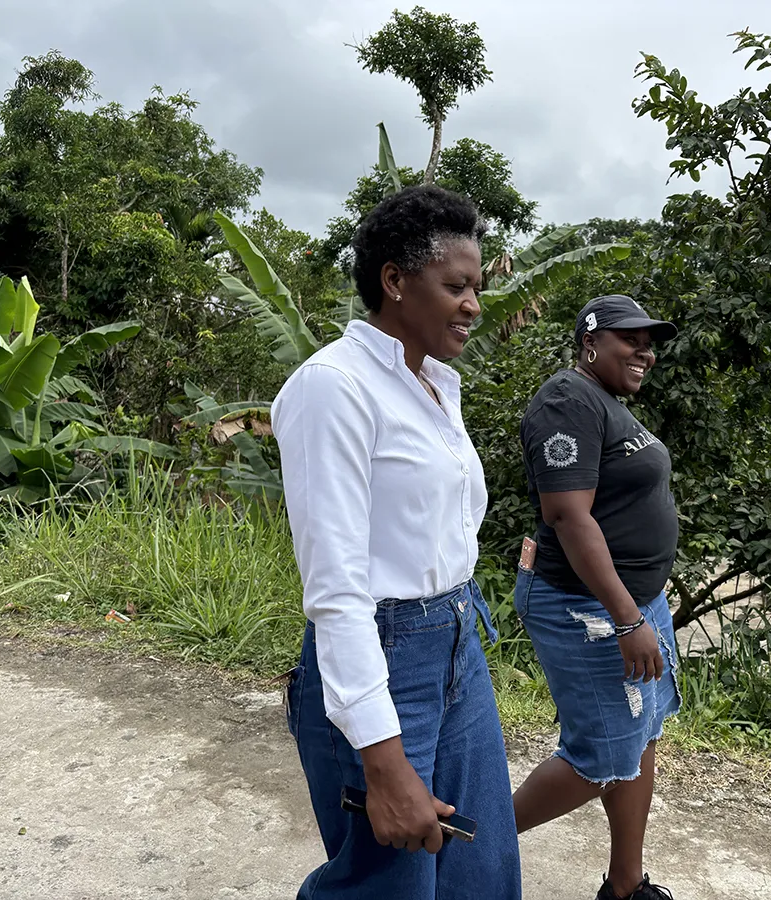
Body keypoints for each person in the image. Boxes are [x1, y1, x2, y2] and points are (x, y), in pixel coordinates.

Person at [272, 185, 521, 900]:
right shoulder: (334, 388)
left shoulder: (434, 388)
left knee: (482, 873)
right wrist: (383, 761)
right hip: (382, 654)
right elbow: (338, 593)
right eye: (456, 286)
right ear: (394, 280)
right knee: (389, 885)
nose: (475, 304)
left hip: (456, 643)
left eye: (477, 286)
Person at [513, 295, 682, 900]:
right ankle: (473, 843)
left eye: (649, 342)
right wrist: (627, 617)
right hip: (588, 610)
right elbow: (568, 515)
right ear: (590, 341)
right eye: (629, 340)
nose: (645, 352)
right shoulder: (567, 399)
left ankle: (625, 886)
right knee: (603, 753)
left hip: (634, 605)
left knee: (641, 739)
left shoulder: (605, 403)